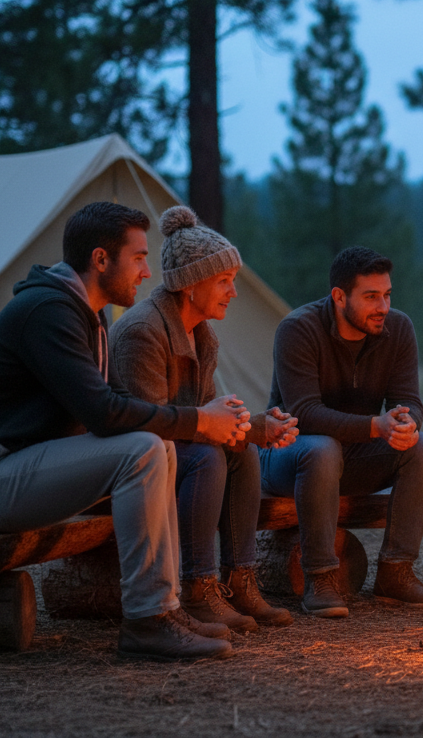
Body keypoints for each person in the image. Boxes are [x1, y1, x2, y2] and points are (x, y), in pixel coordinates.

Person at [0, 201, 252, 661]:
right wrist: (199, 420)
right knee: (141, 449)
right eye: (138, 257)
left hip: (11, 470)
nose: (145, 271)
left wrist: (211, 422)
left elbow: (121, 405)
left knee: (158, 447)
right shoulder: (46, 311)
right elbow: (103, 414)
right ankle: (146, 619)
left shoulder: (86, 314)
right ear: (101, 259)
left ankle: (167, 608)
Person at [110, 206, 298, 634]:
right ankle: (198, 587)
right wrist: (225, 428)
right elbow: (147, 425)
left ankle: (240, 580)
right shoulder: (144, 331)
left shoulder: (201, 334)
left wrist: (255, 428)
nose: (233, 292)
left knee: (240, 451)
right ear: (190, 285)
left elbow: (208, 415)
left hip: (176, 449)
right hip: (135, 465)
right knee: (205, 458)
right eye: (223, 281)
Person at [259, 246, 423, 618]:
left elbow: (408, 399)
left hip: (354, 456)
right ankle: (321, 578)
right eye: (371, 297)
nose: (383, 307)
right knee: (322, 449)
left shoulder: (398, 329)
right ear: (339, 297)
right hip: (287, 454)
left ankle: (395, 572)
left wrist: (407, 425)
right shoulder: (299, 329)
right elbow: (305, 414)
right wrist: (376, 426)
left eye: (387, 295)